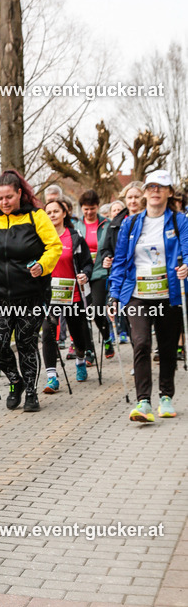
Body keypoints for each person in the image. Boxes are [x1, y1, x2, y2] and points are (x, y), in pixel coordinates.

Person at [0, 169, 63, 412]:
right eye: (0, 198)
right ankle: (15, 381)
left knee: (26, 344)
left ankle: (32, 393)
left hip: (29, 296)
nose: (4, 203)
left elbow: (54, 247)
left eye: (9, 197)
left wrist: (42, 266)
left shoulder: (36, 217)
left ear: (20, 194)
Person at [108, 169, 188, 422]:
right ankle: (143, 402)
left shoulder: (180, 221)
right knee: (141, 342)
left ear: (169, 192)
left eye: (160, 187)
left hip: (169, 293)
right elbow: (120, 261)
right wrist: (114, 296)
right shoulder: (130, 224)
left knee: (166, 347)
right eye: (151, 186)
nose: (155, 191)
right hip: (137, 294)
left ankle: (166, 397)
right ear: (144, 192)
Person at [41, 198, 94, 393]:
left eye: (56, 211)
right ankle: (52, 377)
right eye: (48, 212)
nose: (52, 215)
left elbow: (88, 263)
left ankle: (80, 361)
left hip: (73, 295)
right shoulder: (41, 238)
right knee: (48, 331)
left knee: (78, 335)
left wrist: (85, 275)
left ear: (64, 213)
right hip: (50, 295)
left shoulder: (75, 236)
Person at [101, 181, 145, 345]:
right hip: (126, 278)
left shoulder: (153, 220)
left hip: (149, 277)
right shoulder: (116, 223)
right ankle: (138, 356)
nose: (133, 201)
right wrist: (107, 257)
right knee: (136, 326)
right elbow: (107, 248)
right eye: (130, 197)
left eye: (137, 197)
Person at [79, 189, 115, 359]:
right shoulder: (77, 225)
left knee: (98, 309)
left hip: (99, 272)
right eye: (86, 209)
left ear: (97, 207)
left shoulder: (106, 224)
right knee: (83, 313)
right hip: (81, 275)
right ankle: (89, 350)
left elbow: (110, 246)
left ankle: (107, 337)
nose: (89, 212)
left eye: (92, 208)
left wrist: (109, 258)